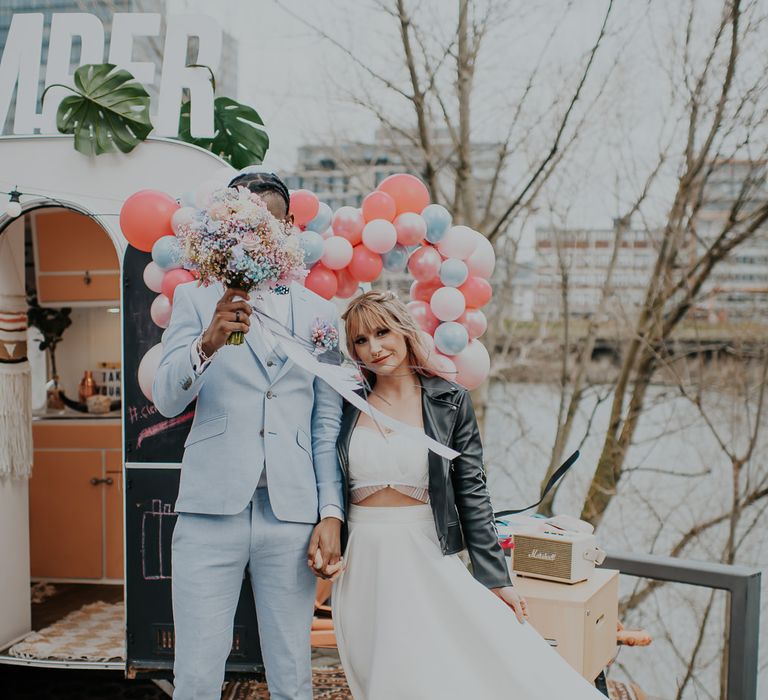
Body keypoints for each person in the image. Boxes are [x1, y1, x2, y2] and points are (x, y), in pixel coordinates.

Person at [332, 290, 606, 699]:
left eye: (382, 332)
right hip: (361, 560)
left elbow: (472, 491)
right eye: (360, 340)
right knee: (376, 676)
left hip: (423, 553)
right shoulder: (345, 402)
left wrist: (496, 577)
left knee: (450, 667)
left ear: (404, 331)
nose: (374, 348)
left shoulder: (450, 400)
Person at [152, 171, 345, 700]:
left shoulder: (319, 313)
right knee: (195, 675)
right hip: (210, 510)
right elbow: (167, 399)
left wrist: (331, 512)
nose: (257, 230)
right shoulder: (194, 300)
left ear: (288, 227)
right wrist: (206, 344)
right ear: (224, 224)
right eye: (245, 218)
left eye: (269, 219)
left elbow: (325, 426)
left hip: (291, 514)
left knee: (292, 674)